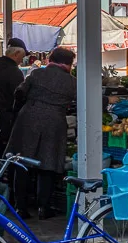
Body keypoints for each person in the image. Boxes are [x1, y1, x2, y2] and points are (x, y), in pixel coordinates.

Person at [6, 47, 77, 220]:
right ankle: (44, 208)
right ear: (68, 64)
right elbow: (84, 100)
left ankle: (20, 208)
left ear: (51, 60)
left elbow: (19, 92)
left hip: (29, 118)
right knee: (48, 165)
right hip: (54, 122)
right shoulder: (72, 82)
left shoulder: (36, 74)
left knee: (22, 162)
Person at [0, 38, 27, 159]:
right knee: (10, 156)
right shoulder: (13, 71)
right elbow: (19, 97)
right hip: (8, 120)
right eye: (22, 57)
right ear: (16, 54)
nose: (22, 61)